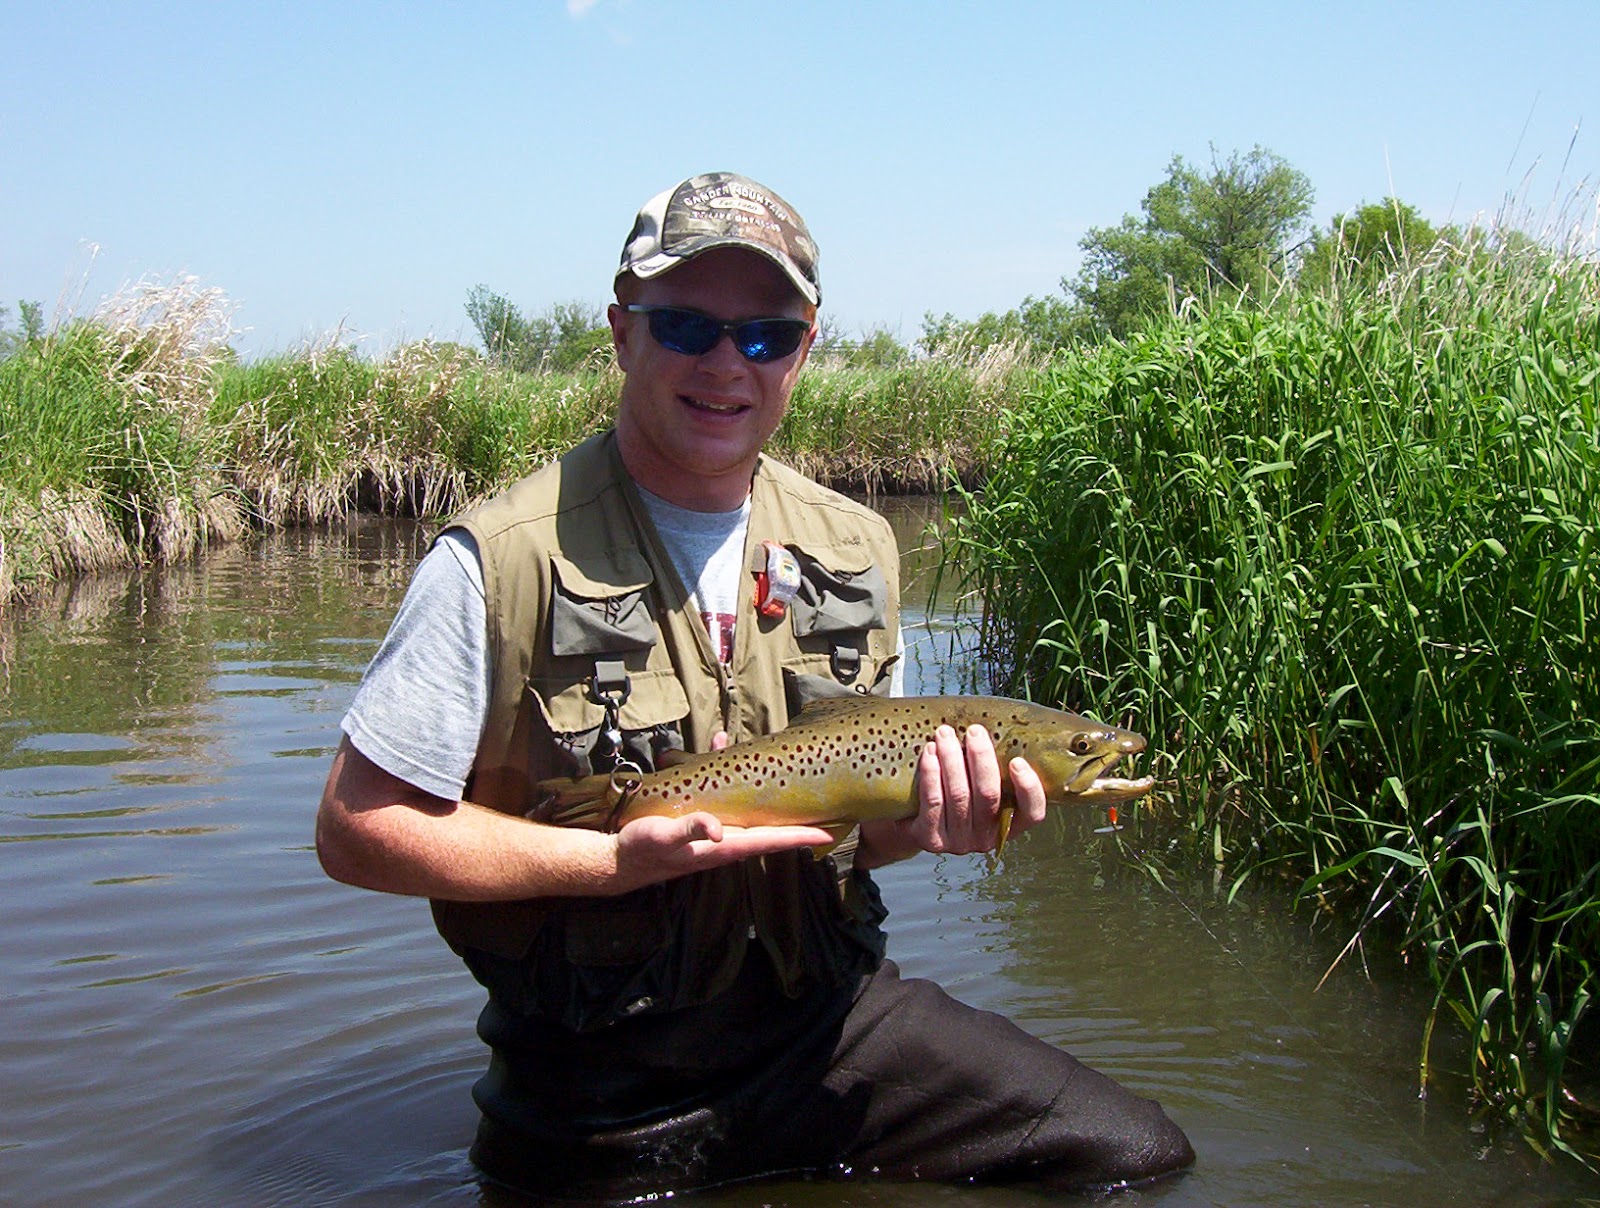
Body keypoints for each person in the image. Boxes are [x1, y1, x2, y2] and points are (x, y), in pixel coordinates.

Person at [315, 171, 1194, 1200]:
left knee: (1136, 1154)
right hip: (597, 1079)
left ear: (804, 350)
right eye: (687, 325)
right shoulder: (497, 559)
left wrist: (933, 826)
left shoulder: (856, 547)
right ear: (622, 331)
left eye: (766, 335)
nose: (727, 363)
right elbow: (356, 830)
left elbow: (860, 835)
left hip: (827, 1024)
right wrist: (609, 862)